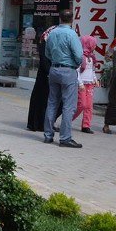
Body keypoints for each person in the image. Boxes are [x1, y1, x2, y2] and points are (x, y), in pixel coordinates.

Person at [43, 9, 83, 148]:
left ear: (60, 18)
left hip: (54, 69)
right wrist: (75, 64)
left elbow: (47, 53)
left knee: (52, 102)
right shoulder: (72, 34)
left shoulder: (52, 33)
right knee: (68, 106)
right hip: (68, 70)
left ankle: (48, 135)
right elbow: (79, 55)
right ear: (72, 19)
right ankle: (65, 138)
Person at [27, 25, 58, 132]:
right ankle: (41, 124)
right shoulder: (47, 39)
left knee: (46, 99)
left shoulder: (47, 37)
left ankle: (43, 123)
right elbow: (45, 58)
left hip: (48, 72)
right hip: (47, 73)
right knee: (45, 99)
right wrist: (49, 71)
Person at [74, 35, 98, 134]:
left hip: (90, 84)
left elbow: (92, 70)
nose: (95, 46)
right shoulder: (80, 57)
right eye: (93, 44)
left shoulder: (92, 57)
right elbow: (77, 71)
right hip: (82, 84)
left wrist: (95, 79)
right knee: (82, 104)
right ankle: (67, 120)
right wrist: (80, 83)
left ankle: (86, 125)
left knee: (89, 106)